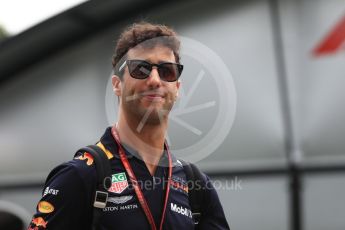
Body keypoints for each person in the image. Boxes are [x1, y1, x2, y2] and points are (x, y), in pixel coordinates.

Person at [28, 22, 230, 230]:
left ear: (177, 88)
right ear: (117, 85)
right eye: (140, 69)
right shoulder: (80, 176)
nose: (154, 80)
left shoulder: (195, 184)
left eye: (167, 71)